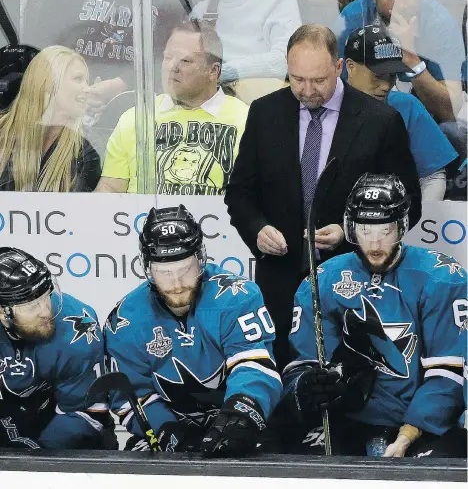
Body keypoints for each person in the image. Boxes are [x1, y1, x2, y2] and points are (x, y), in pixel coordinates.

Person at [224, 24, 421, 370]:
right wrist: (258, 229)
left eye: (317, 80)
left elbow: (408, 203)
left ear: (339, 66)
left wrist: (352, 232)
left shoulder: (381, 122)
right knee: (283, 385)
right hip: (279, 282)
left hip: (353, 281)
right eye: (297, 79)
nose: (307, 90)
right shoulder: (264, 112)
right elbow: (240, 193)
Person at [280, 173, 466, 456]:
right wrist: (307, 387)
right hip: (349, 420)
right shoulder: (323, 280)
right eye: (366, 232)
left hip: (419, 424)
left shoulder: (441, 277)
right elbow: (304, 363)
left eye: (386, 231)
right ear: (351, 228)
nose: (376, 245)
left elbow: (447, 374)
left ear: (402, 226)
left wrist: (407, 436)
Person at [104, 205, 282, 455]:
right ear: (147, 268)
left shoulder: (236, 297)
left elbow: (253, 365)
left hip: (238, 418)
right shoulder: (125, 322)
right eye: (164, 273)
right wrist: (165, 429)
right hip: (173, 427)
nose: (176, 285)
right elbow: (132, 396)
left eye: (185, 270)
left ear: (200, 259)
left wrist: (241, 414)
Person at [96, 20, 249, 194]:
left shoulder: (247, 122)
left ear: (213, 71)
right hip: (142, 220)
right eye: (168, 57)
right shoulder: (136, 118)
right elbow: (110, 188)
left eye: (186, 60)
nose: (171, 67)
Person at [27, 0, 186, 114]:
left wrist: (124, 84)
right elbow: (43, 46)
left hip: (136, 112)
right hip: (66, 105)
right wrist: (69, 84)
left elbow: (175, 60)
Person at [0, 247, 114, 449]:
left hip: (57, 423)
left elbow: (88, 413)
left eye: (46, 297)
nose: (46, 312)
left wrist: (40, 458)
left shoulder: (77, 331)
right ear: (3, 314)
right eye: (32, 306)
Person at [334, 0, 465, 125]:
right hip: (366, 118)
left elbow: (451, 112)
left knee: (451, 132)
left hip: (426, 120)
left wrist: (409, 57)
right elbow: (335, 91)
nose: (400, 5)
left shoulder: (440, 25)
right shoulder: (350, 21)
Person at [344, 25, 458, 201]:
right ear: (351, 67)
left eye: (391, 76)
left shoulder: (407, 106)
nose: (385, 86)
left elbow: (432, 176)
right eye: (377, 75)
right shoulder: (325, 106)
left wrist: (420, 222)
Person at [0, 45, 101, 192]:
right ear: (49, 83)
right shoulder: (3, 133)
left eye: (87, 81)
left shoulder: (84, 152)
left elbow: (81, 211)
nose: (87, 88)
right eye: (78, 79)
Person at [190, 0, 301, 83]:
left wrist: (220, 73)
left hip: (262, 98)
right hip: (213, 97)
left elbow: (286, 60)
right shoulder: (202, 11)